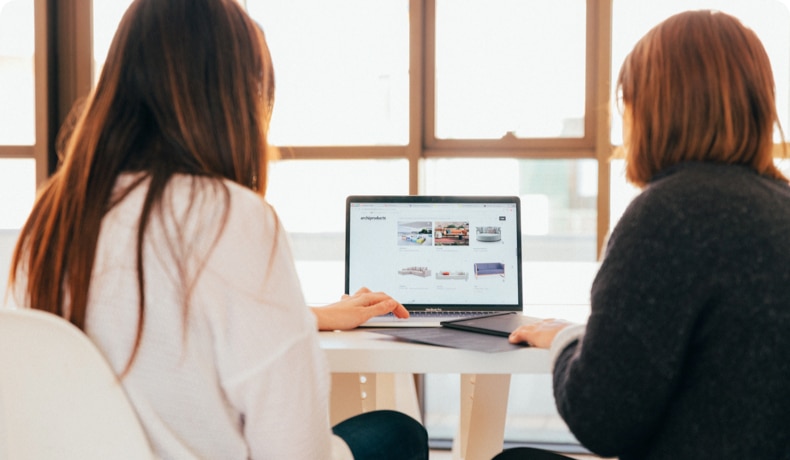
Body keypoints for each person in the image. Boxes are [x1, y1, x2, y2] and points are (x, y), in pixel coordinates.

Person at [7, 0, 427, 459]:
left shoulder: (52, 217)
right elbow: (295, 450)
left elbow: (153, 332)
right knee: (397, 433)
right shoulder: (231, 217)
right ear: (233, 98)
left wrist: (306, 316)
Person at [504, 9, 790, 460]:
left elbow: (601, 418)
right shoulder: (781, 202)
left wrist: (566, 341)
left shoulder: (668, 214)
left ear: (651, 107)